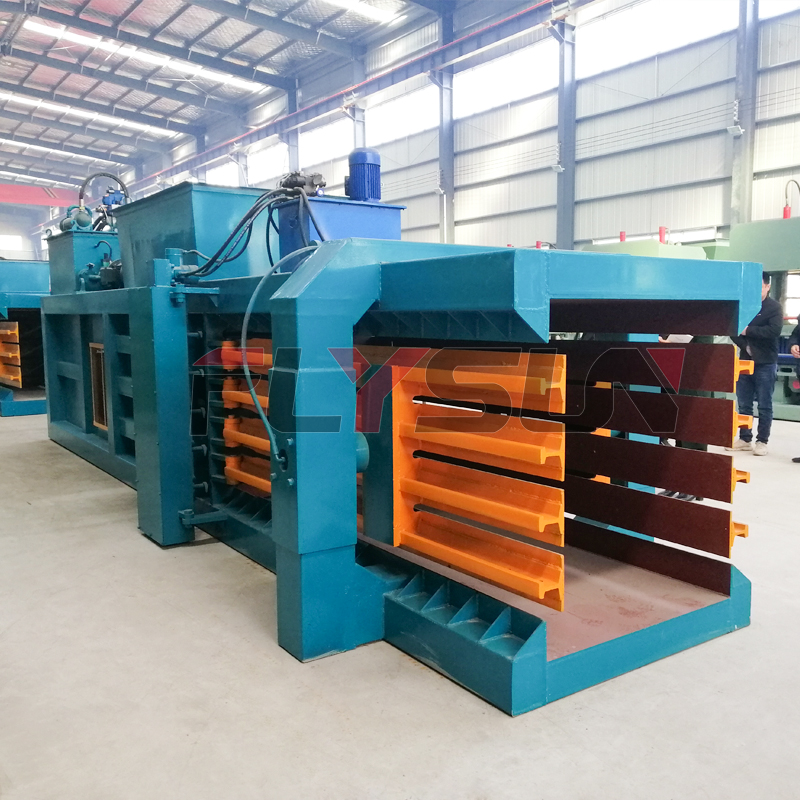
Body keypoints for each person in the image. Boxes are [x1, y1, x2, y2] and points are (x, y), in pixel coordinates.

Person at [731, 272, 783, 455]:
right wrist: (746, 346)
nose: (755, 290)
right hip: (745, 360)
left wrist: (748, 331)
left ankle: (762, 441)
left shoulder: (774, 307)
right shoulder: (744, 306)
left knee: (764, 404)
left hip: (766, 362)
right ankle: (745, 438)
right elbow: (734, 329)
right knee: (744, 403)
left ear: (767, 286)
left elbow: (773, 331)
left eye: (760, 286)